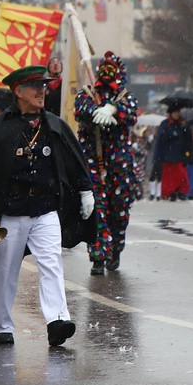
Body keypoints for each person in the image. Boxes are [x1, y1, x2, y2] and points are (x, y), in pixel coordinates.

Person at [0, 65, 94, 347]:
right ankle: (2, 326)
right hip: (11, 210)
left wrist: (85, 189)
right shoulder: (0, 127)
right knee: (5, 271)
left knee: (52, 262)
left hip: (45, 208)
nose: (42, 91)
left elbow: (71, 158)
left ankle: (57, 320)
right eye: (35, 87)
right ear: (18, 91)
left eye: (44, 86)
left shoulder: (53, 124)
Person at [72, 51, 138, 275]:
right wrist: (94, 111)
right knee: (95, 208)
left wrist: (114, 110)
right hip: (92, 159)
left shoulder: (125, 96)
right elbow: (79, 110)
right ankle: (98, 256)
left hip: (119, 165)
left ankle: (115, 249)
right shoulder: (88, 93)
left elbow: (131, 113)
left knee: (118, 209)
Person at [153, 106, 193, 200]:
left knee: (182, 174)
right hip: (169, 155)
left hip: (180, 154)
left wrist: (185, 127)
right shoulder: (165, 124)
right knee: (170, 176)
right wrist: (172, 133)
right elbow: (161, 138)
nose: (177, 114)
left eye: (178, 112)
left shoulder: (182, 123)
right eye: (175, 112)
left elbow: (188, 138)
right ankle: (172, 192)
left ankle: (181, 191)